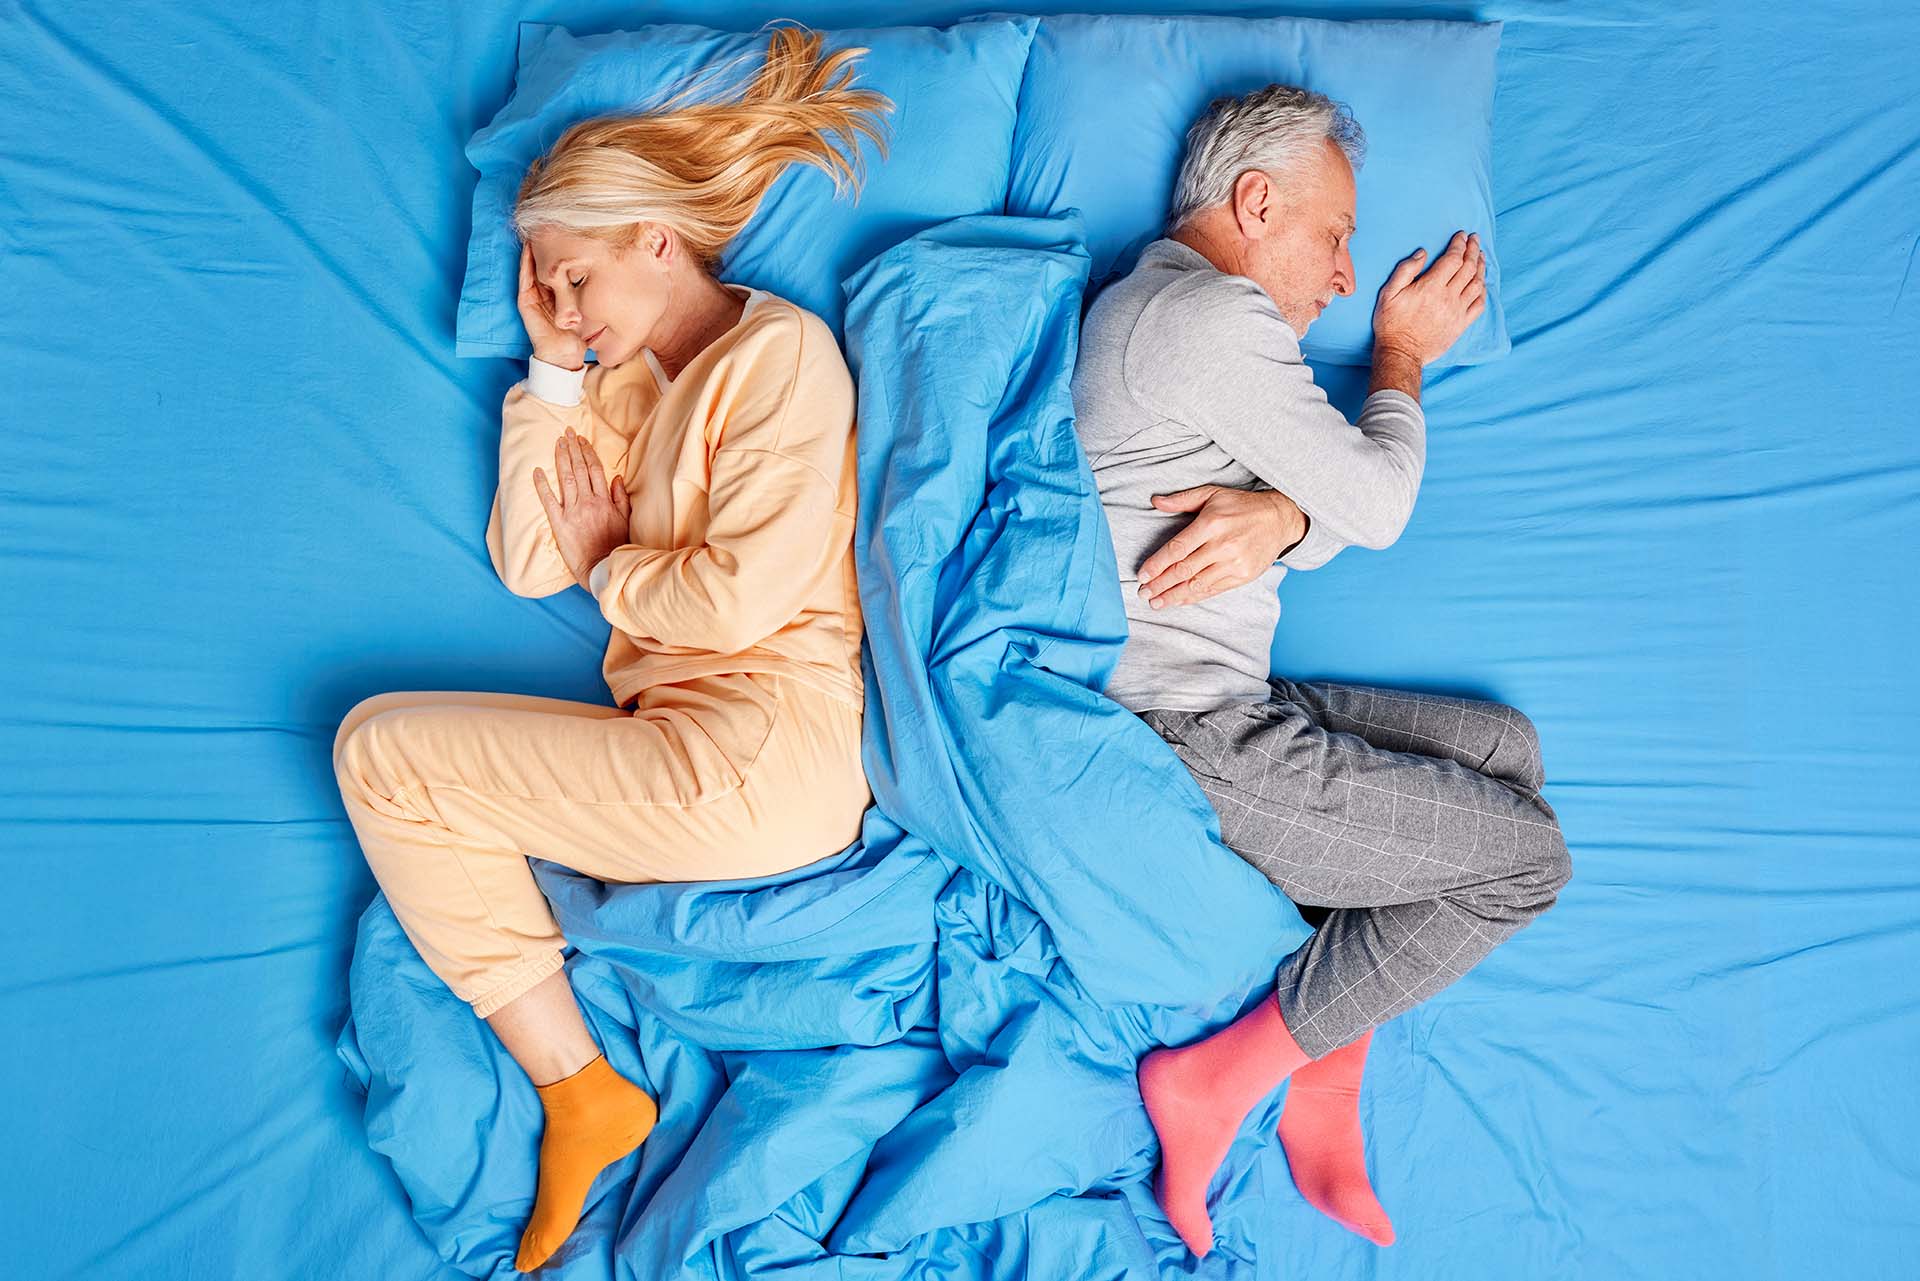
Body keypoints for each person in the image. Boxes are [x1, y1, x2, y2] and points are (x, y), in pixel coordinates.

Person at [331, 29, 889, 1273]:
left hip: (764, 751)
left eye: (575, 279)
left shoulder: (780, 357)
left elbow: (735, 602)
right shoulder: (627, 387)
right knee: (384, 754)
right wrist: (551, 372)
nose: (569, 308)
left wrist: (610, 565)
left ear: (657, 238)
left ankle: (578, 1086)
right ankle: (583, 1094)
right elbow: (531, 560)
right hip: (695, 740)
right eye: (545, 289)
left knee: (382, 757)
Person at [1070, 85, 1572, 1256]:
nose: (1346, 277)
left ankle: (1324, 1070)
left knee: (1505, 750)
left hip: (1217, 705)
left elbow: (1338, 510)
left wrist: (1282, 519)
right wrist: (1402, 355)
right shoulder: (1207, 318)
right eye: (1336, 235)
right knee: (1526, 865)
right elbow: (1378, 504)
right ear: (1255, 203)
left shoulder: (1167, 311)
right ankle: (1216, 1080)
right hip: (1185, 739)